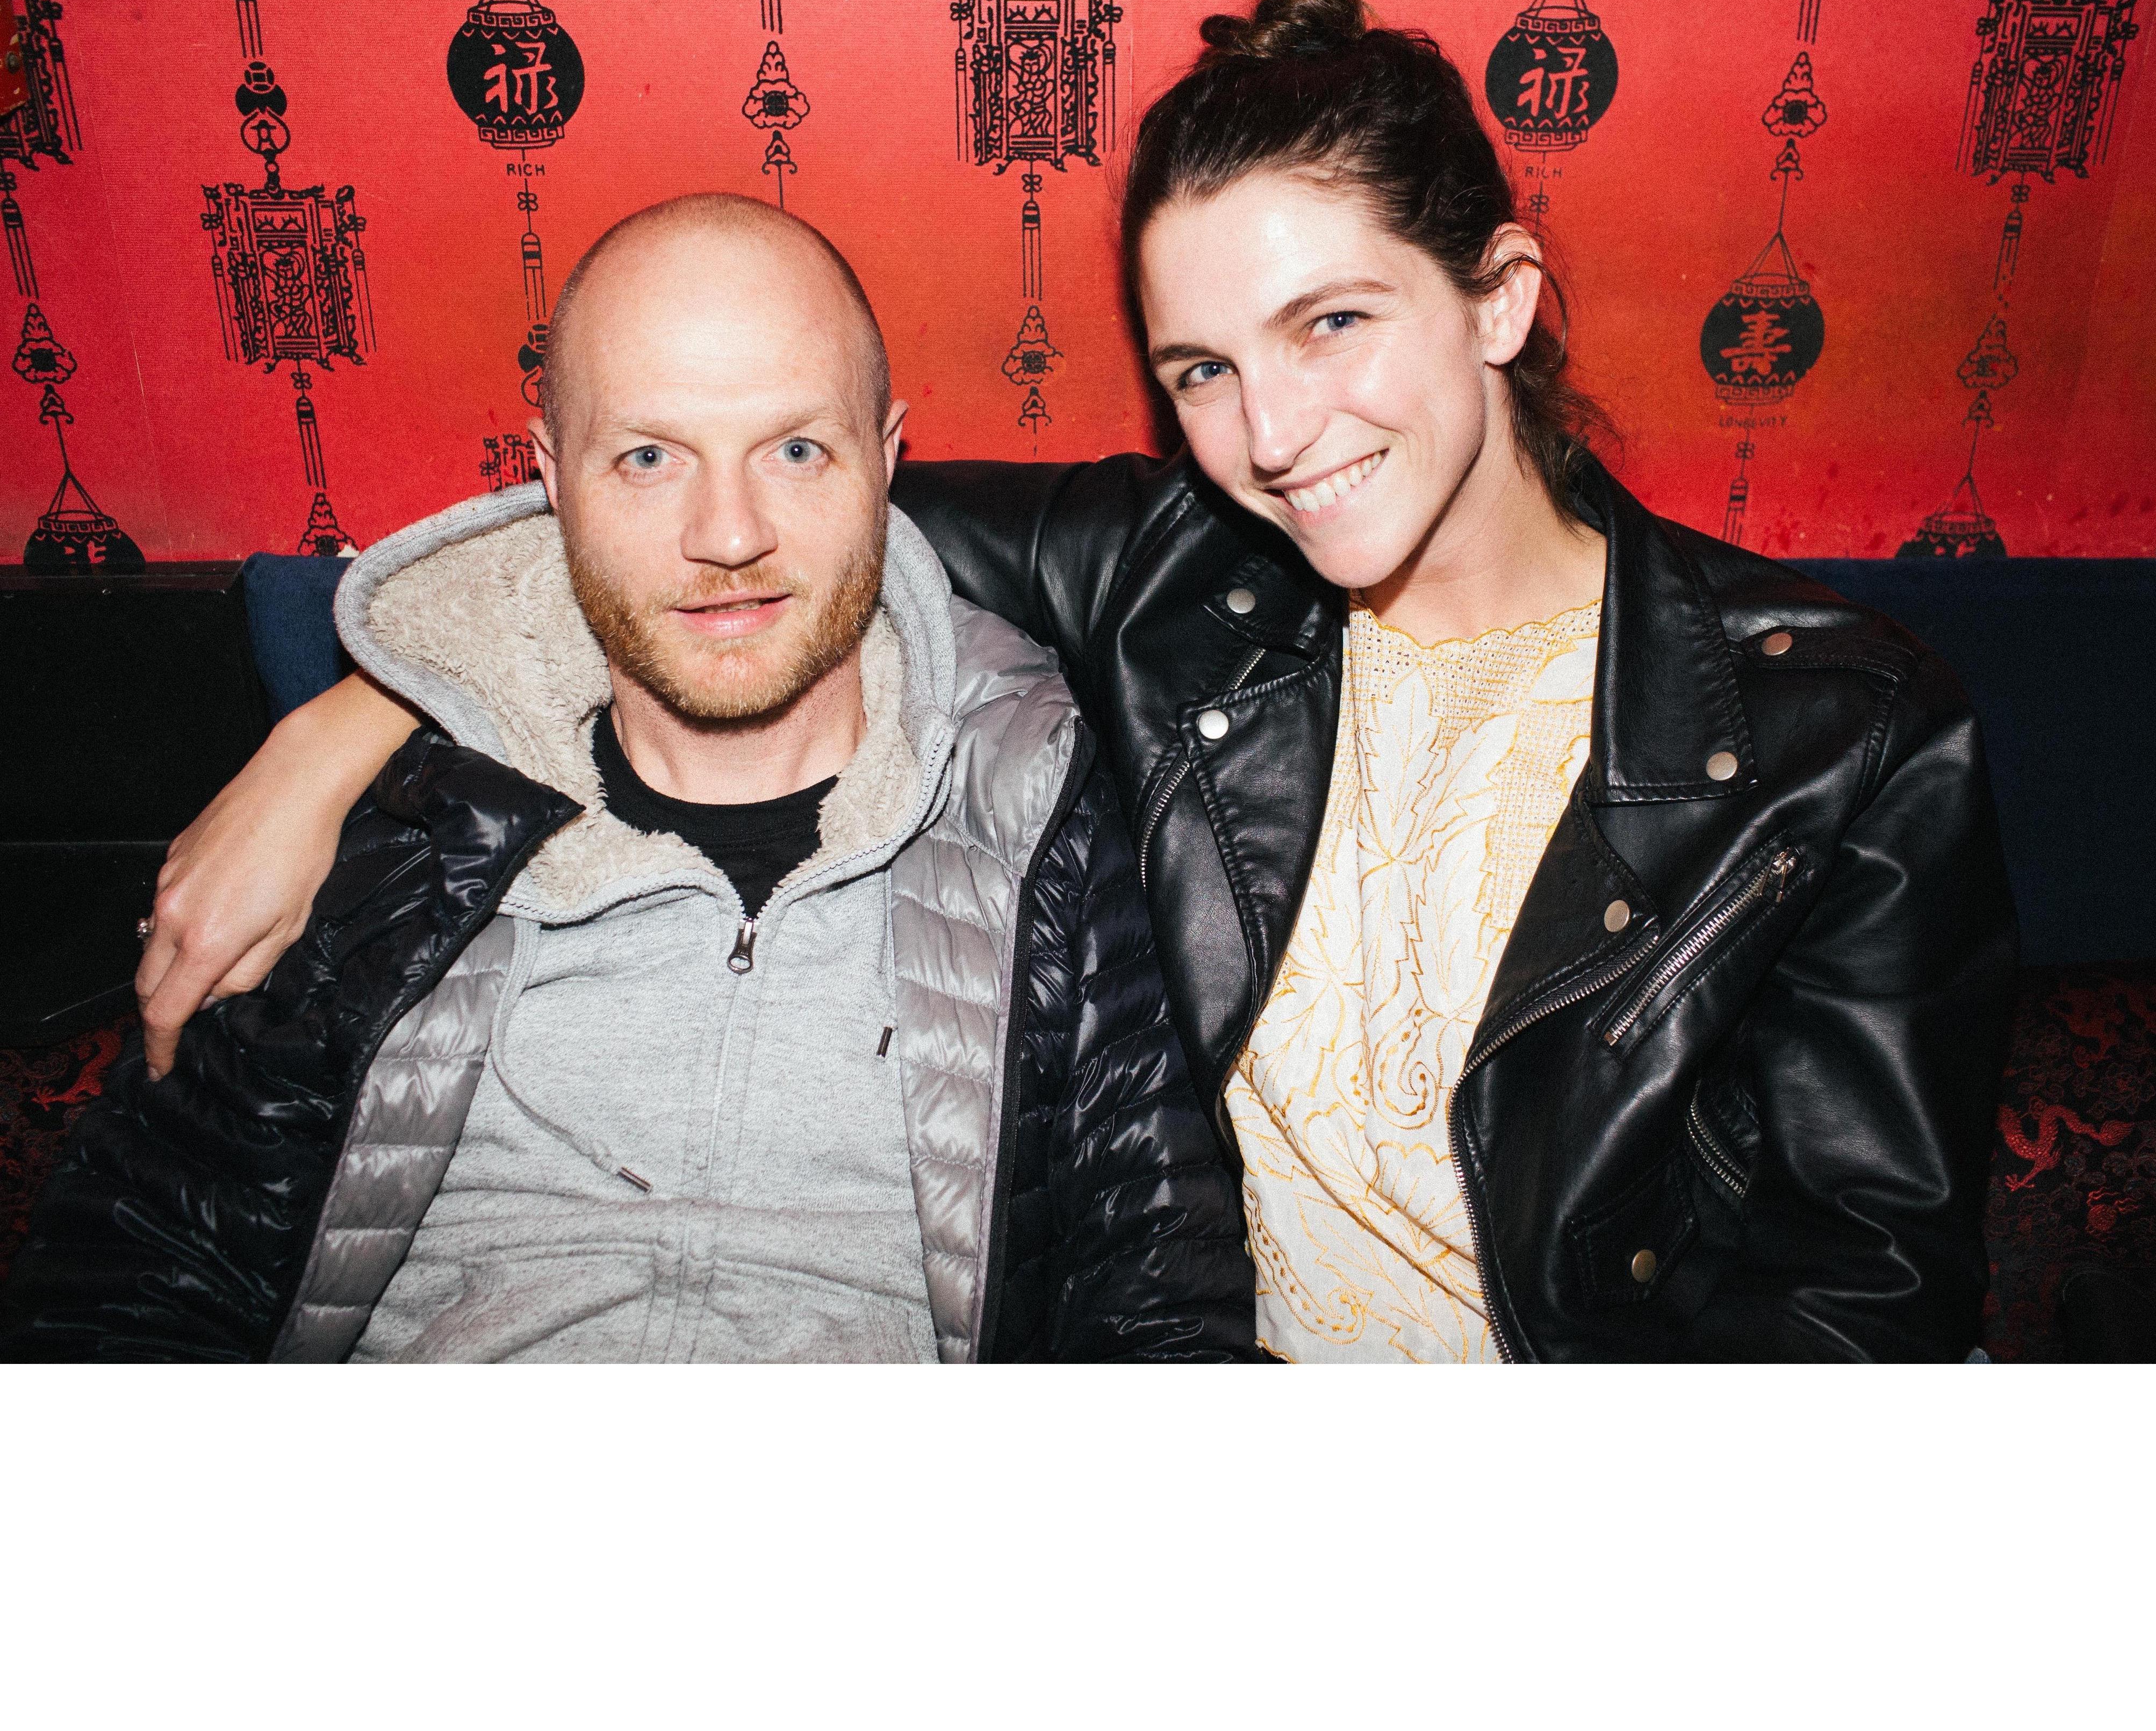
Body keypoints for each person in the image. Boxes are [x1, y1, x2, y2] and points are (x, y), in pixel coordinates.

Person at [102, 0, 2019, 1362]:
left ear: (1499, 299)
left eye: (1332, 323)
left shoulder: (1830, 728)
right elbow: (736, 521)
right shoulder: (1181, 581)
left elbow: (1861, 1300)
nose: (1275, 433)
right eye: (1201, 370)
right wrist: (351, 719)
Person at [0, 197, 1252, 1363]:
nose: (728, 533)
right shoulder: (402, 821)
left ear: (885, 458)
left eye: (796, 449)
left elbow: (1155, 1283)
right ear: (550, 478)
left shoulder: (1032, 802)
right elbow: (140, 1267)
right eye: (649, 457)